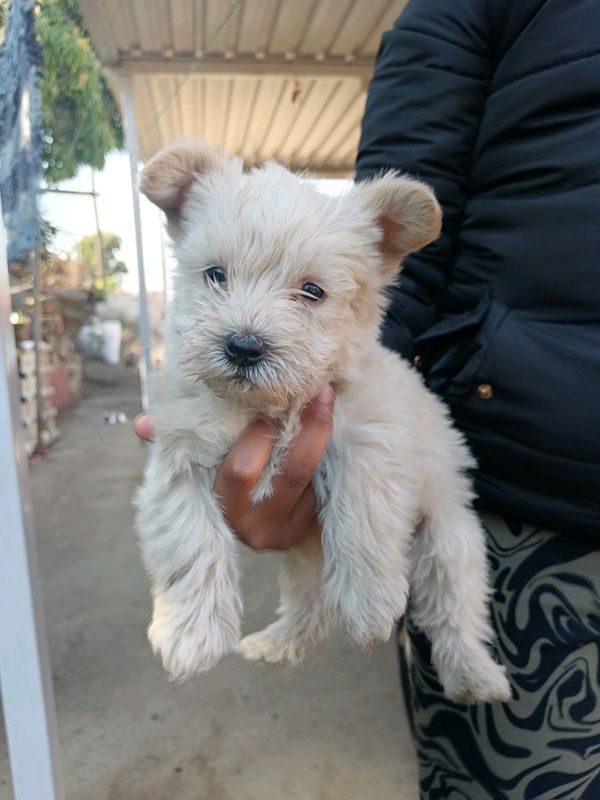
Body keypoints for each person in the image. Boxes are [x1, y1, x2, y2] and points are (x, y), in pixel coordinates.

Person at [135, 0, 600, 796]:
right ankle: (261, 615)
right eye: (217, 277)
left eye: (308, 291)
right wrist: (192, 589)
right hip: (542, 469)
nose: (249, 328)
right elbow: (179, 483)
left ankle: (449, 646)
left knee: (424, 547)